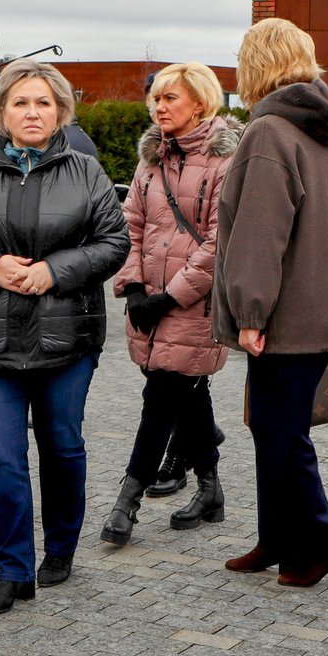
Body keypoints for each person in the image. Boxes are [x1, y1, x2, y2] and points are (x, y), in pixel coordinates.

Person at [0, 59, 128, 615]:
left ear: (60, 110)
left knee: (62, 448)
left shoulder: (86, 171)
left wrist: (55, 271)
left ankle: (60, 546)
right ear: (2, 114)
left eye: (42, 102)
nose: (32, 112)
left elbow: (115, 243)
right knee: (2, 458)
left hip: (67, 341)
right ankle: (13, 568)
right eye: (20, 102)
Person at [212, 18, 328, 587]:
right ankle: (277, 536)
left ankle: (323, 542)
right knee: (273, 427)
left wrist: (250, 313)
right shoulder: (321, 131)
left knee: (281, 434)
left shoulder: (269, 131)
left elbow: (258, 233)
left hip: (282, 317)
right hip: (314, 309)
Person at [101, 63, 238, 546]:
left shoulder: (226, 162)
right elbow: (130, 225)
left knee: (160, 399)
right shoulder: (152, 159)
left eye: (170, 99)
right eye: (156, 99)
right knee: (188, 395)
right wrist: (134, 286)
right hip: (148, 305)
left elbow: (220, 243)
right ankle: (212, 490)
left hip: (192, 306)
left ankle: (126, 504)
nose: (159, 107)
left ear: (199, 103)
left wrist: (170, 296)